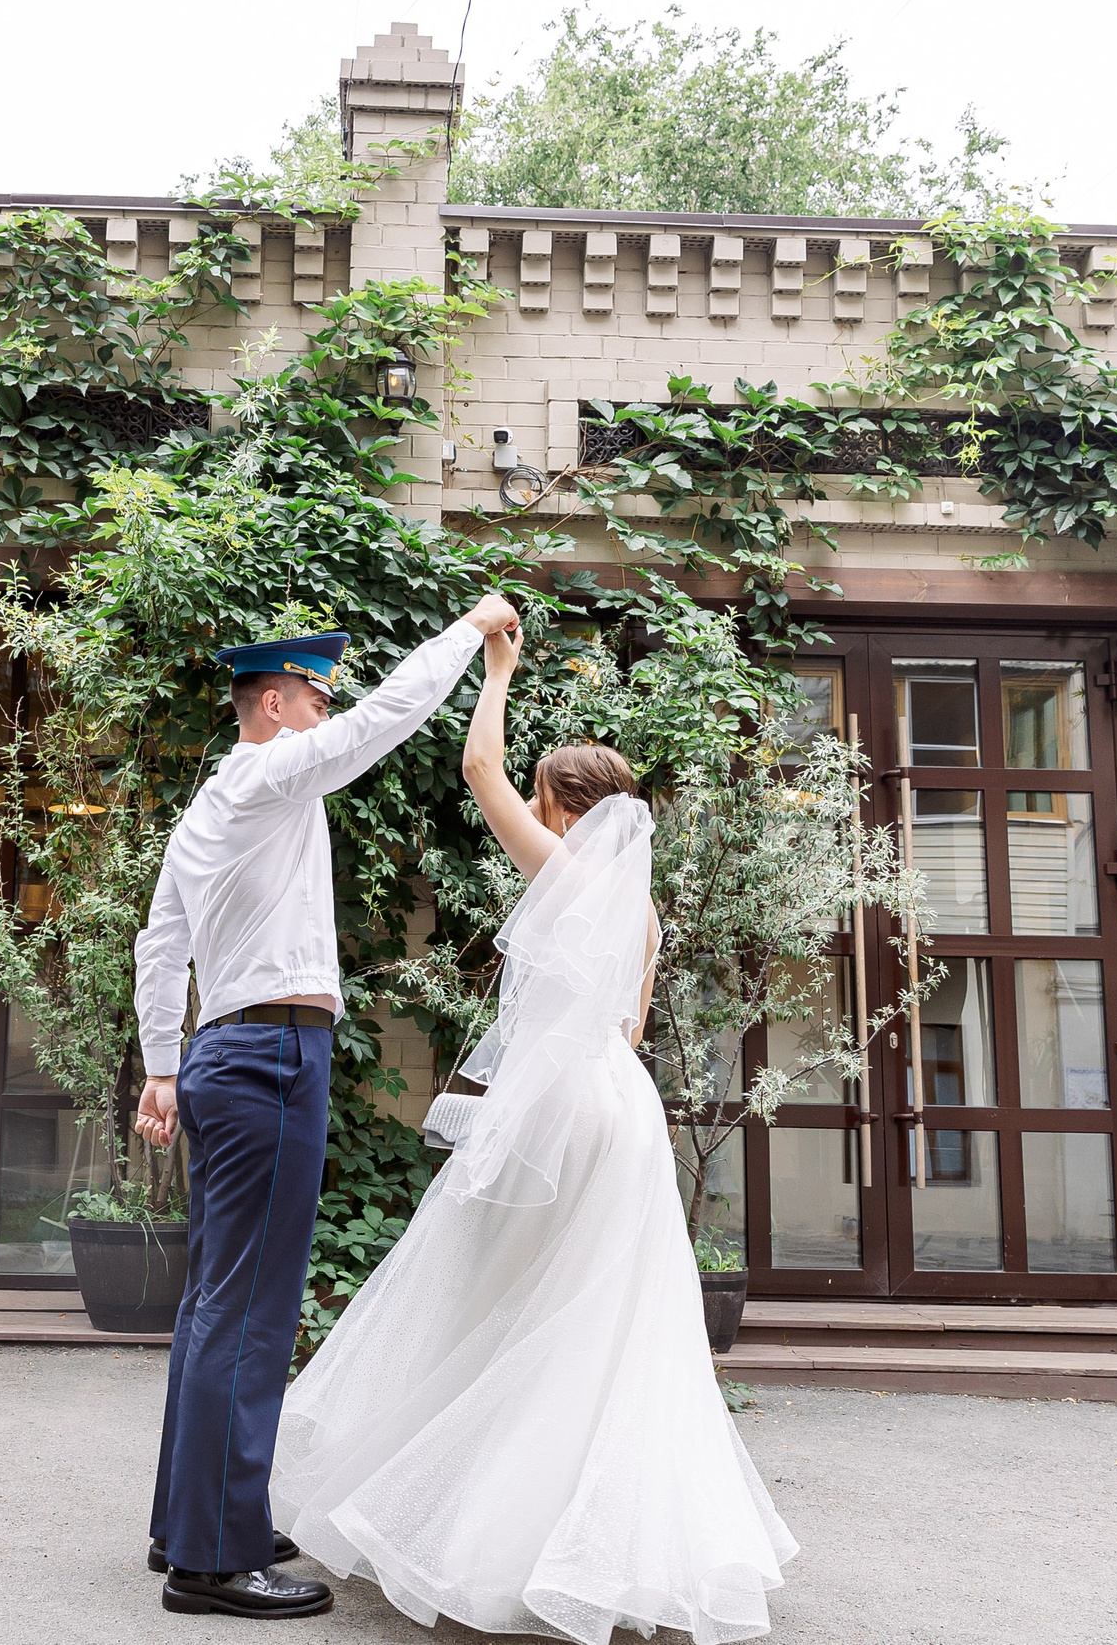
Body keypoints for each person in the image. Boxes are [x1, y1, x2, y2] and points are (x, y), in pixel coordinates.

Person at [268, 620, 799, 1644]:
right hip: (622, 1110)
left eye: (547, 803)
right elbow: (629, 1027)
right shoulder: (639, 913)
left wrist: (498, 669)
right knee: (606, 1325)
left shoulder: (561, 871)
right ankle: (607, 1548)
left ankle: (476, 1530)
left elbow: (477, 765)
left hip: (558, 1111)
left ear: (565, 810)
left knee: (485, 1293)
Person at [135, 593, 523, 1620]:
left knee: (217, 1296)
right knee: (252, 1306)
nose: (323, 709)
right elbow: (386, 717)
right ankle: (212, 1562)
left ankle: (192, 1525)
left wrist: (162, 1067)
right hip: (270, 1054)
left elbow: (157, 944)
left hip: (229, 1049)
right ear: (273, 704)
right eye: (312, 693)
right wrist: (469, 629)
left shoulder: (213, 805)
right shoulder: (267, 771)